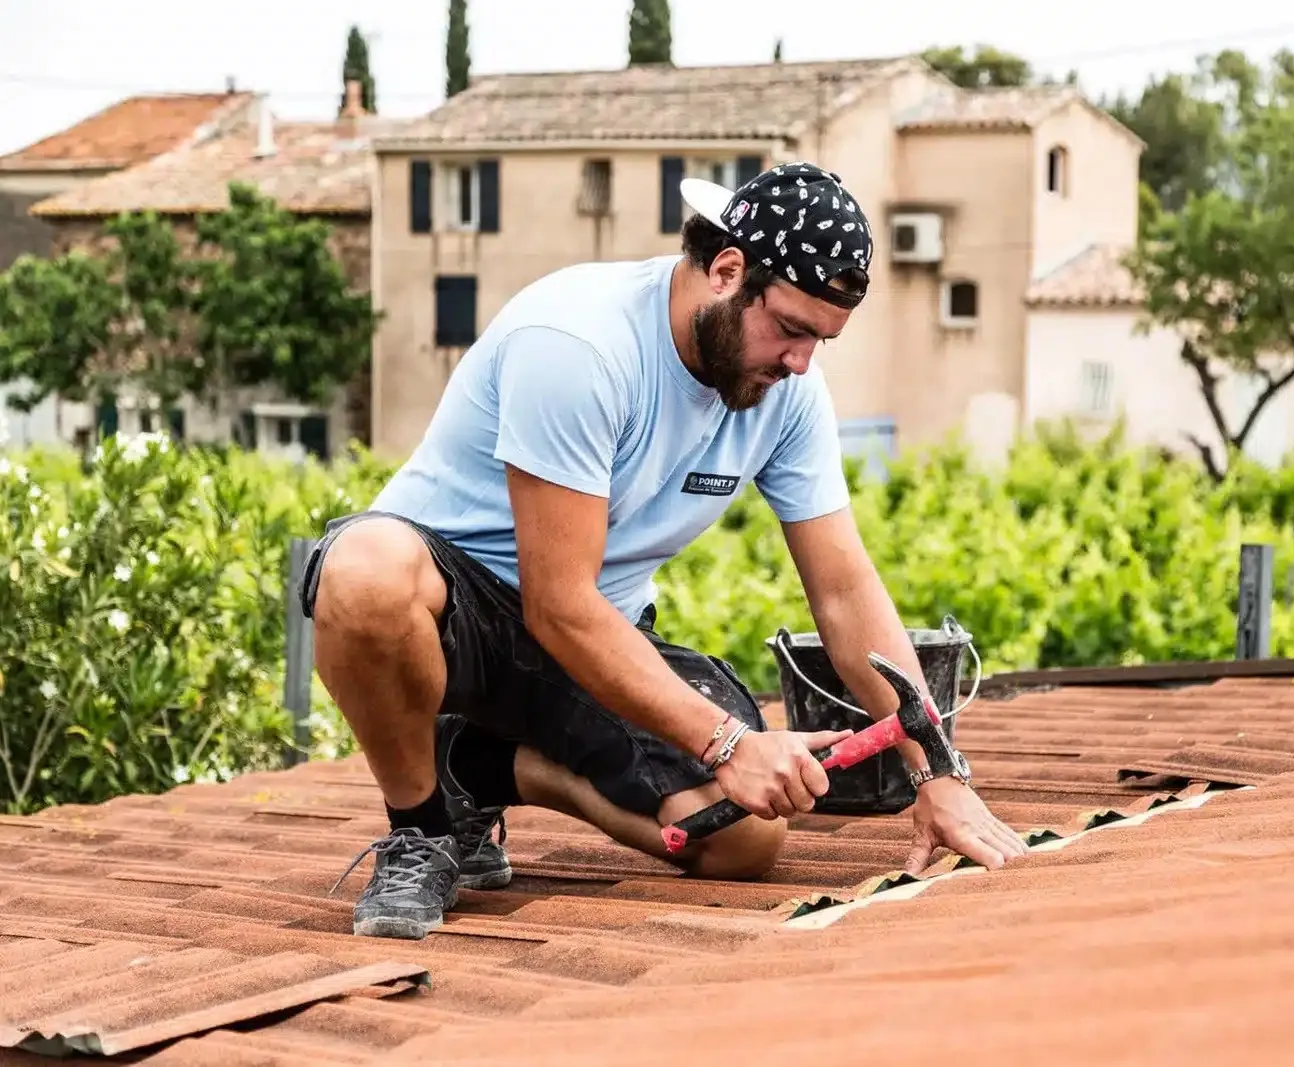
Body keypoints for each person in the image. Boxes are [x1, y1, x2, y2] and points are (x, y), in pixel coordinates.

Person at [304, 161, 1029, 941]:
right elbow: (557, 602)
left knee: (745, 837)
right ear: (726, 270)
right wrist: (727, 740)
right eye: (790, 329)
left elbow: (846, 592)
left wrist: (938, 770)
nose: (800, 363)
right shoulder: (581, 343)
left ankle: (478, 766)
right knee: (363, 573)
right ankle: (422, 828)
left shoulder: (786, 395)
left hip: (590, 638)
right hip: (457, 613)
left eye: (820, 340)